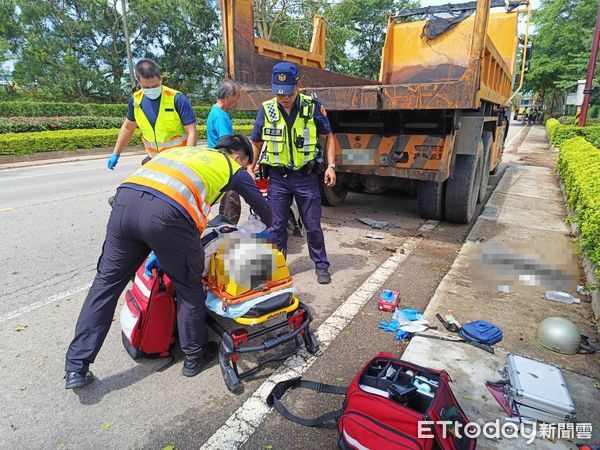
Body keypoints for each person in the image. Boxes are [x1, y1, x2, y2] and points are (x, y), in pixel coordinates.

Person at [64, 134, 272, 389]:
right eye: (244, 164)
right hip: (168, 216)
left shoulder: (181, 152)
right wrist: (269, 231)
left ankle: (76, 367)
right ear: (238, 157)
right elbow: (263, 209)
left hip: (124, 204)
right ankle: (195, 356)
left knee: (105, 285)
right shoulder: (232, 168)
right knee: (188, 286)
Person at [249, 61, 336, 285]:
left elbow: (329, 137)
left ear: (298, 85)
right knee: (277, 226)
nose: (284, 98)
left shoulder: (313, 106)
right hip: (278, 178)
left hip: (305, 177)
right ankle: (277, 267)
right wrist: (251, 166)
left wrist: (330, 165)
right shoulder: (266, 109)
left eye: (287, 92)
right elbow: (256, 142)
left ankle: (321, 265)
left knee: (312, 224)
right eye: (279, 94)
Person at [107, 59, 197, 170]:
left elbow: (191, 131)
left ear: (161, 78)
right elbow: (128, 127)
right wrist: (116, 153)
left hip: (178, 161)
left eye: (155, 86)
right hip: (154, 160)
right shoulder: (136, 101)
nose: (151, 90)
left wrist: (188, 160)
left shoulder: (177, 99)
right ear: (138, 81)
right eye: (146, 87)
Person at [207, 79, 242, 224]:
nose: (238, 100)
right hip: (224, 166)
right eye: (237, 96)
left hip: (218, 163)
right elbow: (226, 144)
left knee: (226, 203)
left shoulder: (216, 111)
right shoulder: (220, 116)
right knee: (231, 204)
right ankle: (227, 235)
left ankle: (223, 231)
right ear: (228, 97)